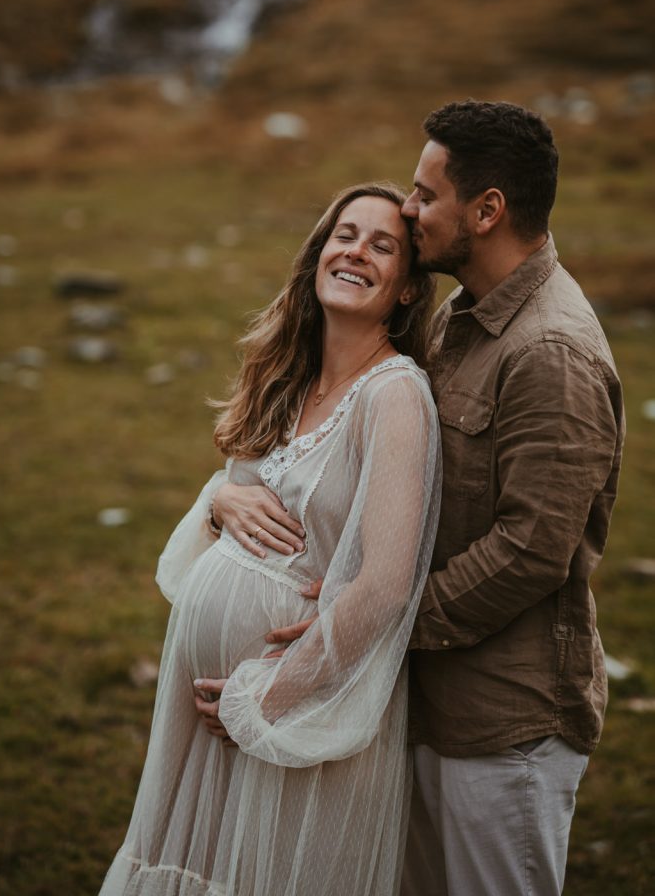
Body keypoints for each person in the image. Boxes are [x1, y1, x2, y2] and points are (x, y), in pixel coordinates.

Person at [207, 101, 624, 896]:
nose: (406, 210)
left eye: (425, 194)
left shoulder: (551, 353)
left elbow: (530, 551)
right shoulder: (463, 319)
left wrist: (366, 626)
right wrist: (225, 498)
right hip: (422, 711)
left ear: (487, 210)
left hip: (504, 730)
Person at [98, 182, 442, 896]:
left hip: (296, 711)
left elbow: (384, 585)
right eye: (344, 235)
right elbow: (244, 492)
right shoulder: (287, 375)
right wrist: (218, 499)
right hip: (209, 712)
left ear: (408, 289)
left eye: (383, 246)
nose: (355, 252)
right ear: (317, 255)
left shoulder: (394, 396)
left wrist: (265, 697)